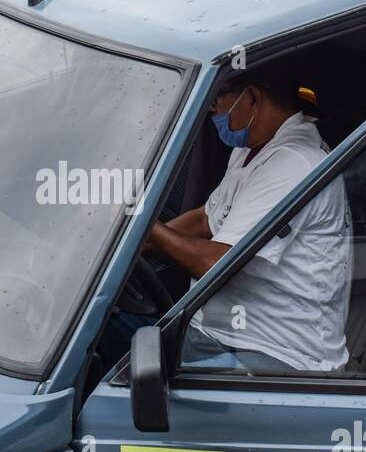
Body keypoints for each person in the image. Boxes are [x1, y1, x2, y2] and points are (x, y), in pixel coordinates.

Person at [103, 72, 351, 372]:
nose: (212, 111)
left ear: (252, 97)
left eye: (215, 100)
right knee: (100, 331)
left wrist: (142, 221)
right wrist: (124, 245)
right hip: (216, 332)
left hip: (271, 352)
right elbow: (207, 218)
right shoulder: (251, 148)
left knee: (125, 390)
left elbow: (218, 264)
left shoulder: (293, 163)